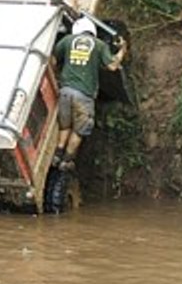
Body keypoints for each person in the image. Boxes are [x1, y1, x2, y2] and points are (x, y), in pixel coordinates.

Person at [50, 15, 127, 171]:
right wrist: (122, 50)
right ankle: (66, 160)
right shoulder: (99, 45)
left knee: (65, 126)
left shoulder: (67, 41)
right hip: (84, 94)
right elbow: (112, 66)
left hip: (65, 91)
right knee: (79, 130)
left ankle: (57, 154)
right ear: (92, 32)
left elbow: (53, 60)